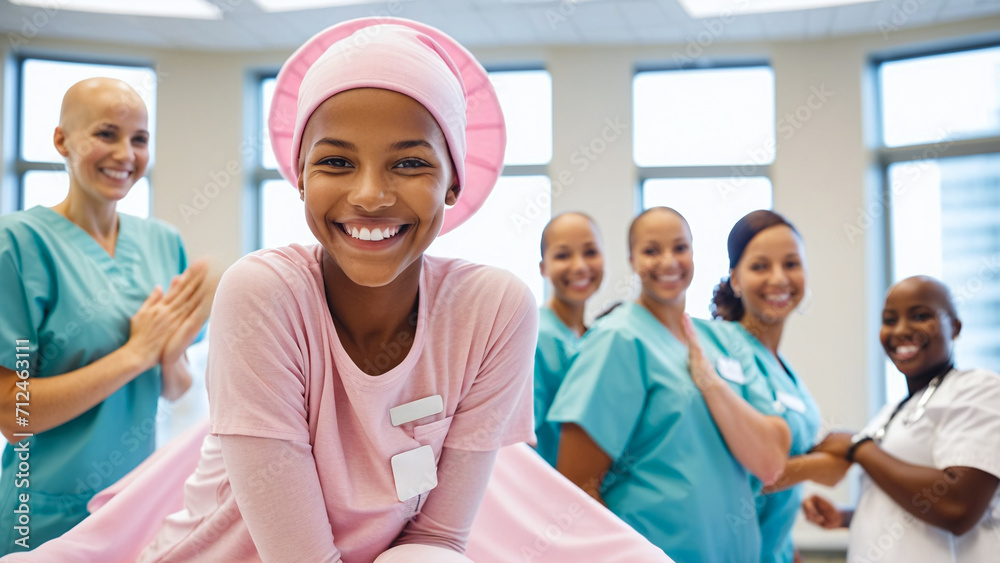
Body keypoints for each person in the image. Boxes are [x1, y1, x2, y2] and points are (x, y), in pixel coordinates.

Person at [137, 18, 535, 563]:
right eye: (337, 162)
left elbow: (436, 540)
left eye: (411, 162)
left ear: (454, 180)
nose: (370, 195)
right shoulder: (265, 295)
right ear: (300, 174)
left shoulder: (495, 311)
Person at [0, 78, 211, 552]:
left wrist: (169, 356)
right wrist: (135, 354)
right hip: (45, 510)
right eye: (106, 134)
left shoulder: (163, 242)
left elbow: (176, 389)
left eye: (140, 139)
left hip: (137, 500)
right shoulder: (16, 246)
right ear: (62, 141)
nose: (125, 154)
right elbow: (14, 415)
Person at [548, 206, 791, 563]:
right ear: (631, 260)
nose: (668, 261)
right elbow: (577, 486)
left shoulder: (720, 341)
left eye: (679, 248)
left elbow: (772, 456)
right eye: (651, 250)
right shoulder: (618, 341)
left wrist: (711, 383)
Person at [804, 275, 1000, 562]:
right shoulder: (891, 411)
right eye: (889, 320)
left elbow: (958, 506)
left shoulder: (980, 389)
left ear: (955, 328)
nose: (902, 330)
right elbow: (909, 508)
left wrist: (858, 447)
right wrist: (847, 518)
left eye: (920, 316)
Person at [711, 210, 847, 563]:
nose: (779, 278)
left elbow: (784, 475)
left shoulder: (785, 371)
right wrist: (820, 465)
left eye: (791, 264)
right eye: (760, 266)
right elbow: (748, 473)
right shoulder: (720, 349)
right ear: (735, 280)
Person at [533, 212, 604, 466]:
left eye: (590, 252)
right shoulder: (536, 337)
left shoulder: (598, 337)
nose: (580, 266)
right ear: (544, 268)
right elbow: (520, 439)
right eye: (563, 255)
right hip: (548, 491)